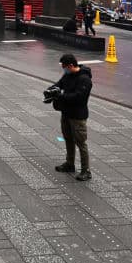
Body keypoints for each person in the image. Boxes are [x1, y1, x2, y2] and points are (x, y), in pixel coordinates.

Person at [51, 53, 92, 181]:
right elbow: (59, 84)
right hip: (66, 113)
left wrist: (61, 96)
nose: (63, 69)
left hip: (78, 116)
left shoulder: (84, 79)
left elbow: (79, 97)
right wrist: (51, 90)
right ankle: (70, 164)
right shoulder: (67, 75)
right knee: (68, 139)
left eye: (64, 67)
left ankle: (86, 170)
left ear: (70, 65)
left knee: (81, 143)